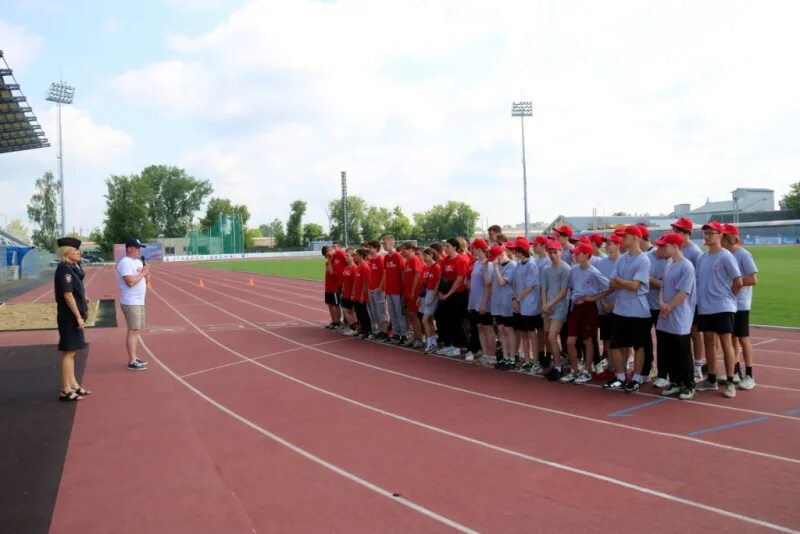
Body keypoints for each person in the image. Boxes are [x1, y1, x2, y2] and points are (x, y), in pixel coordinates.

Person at [694, 221, 743, 398]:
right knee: (708, 341)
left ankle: (730, 381)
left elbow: (738, 282)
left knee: (726, 342)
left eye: (710, 233)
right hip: (705, 307)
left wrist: (728, 297)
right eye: (705, 233)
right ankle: (712, 379)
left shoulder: (726, 256)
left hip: (722, 307)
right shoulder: (702, 258)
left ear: (720, 235)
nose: (707, 237)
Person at [604, 226, 652, 393]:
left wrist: (620, 281)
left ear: (635, 238)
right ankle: (621, 377)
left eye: (625, 236)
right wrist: (624, 282)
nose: (622, 239)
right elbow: (610, 282)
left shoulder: (643, 260)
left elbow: (634, 285)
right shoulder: (622, 259)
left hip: (638, 310)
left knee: (639, 346)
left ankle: (637, 378)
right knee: (616, 344)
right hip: (620, 310)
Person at [656, 232, 698, 400]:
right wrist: (661, 304)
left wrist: (669, 307)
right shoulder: (668, 265)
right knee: (668, 349)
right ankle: (675, 381)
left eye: (665, 245)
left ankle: (688, 384)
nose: (662, 248)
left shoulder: (686, 266)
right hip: (665, 316)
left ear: (674, 246)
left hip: (680, 315)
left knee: (682, 351)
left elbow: (684, 292)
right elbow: (662, 288)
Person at [561, 242, 609, 384]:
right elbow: (570, 287)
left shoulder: (594, 271)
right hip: (576, 309)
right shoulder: (574, 270)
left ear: (587, 255)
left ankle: (587, 371)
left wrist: (593, 298)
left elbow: (610, 287)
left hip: (589, 308)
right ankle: (575, 370)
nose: (575, 255)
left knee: (587, 340)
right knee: (570, 341)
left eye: (578, 253)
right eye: (575, 253)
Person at [722, 224, 758, 390]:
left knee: (743, 338)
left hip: (741, 303)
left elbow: (753, 279)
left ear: (727, 238)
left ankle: (749, 374)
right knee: (733, 338)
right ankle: (736, 371)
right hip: (729, 303)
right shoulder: (726, 255)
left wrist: (735, 283)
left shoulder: (743, 255)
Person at [55, 237, 91, 400]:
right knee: (69, 352)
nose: (79, 253)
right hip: (69, 316)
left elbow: (77, 289)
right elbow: (68, 295)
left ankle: (74, 384)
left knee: (73, 351)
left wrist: (84, 297)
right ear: (67, 252)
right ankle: (65, 389)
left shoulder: (72, 267)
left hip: (74, 313)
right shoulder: (64, 269)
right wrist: (78, 317)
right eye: (76, 251)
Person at [671, 216, 705, 379]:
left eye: (677, 231)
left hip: (692, 300)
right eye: (674, 230)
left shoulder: (695, 252)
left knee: (694, 333)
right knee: (680, 333)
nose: (674, 233)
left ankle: (697, 366)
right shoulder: (676, 249)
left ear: (687, 233)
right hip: (677, 298)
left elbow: (699, 278)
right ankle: (684, 366)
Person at [509, 237, 542, 374]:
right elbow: (516, 283)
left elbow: (530, 286)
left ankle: (536, 361)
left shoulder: (531, 264)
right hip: (520, 303)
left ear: (521, 250)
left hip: (529, 304)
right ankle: (527, 360)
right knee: (523, 332)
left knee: (531, 333)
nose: (513, 251)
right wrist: (515, 299)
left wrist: (518, 299)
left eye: (516, 248)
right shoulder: (518, 264)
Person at [117, 238, 150, 371]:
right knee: (133, 330)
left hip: (139, 301)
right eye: (136, 248)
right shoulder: (125, 263)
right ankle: (132, 361)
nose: (139, 250)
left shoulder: (137, 261)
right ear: (129, 248)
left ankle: (134, 357)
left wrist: (147, 272)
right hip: (131, 301)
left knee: (136, 330)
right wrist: (142, 273)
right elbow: (130, 282)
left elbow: (146, 280)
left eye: (139, 248)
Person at [541, 240, 570, 381]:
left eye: (555, 252)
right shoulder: (546, 269)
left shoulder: (566, 269)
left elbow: (563, 292)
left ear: (560, 252)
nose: (552, 255)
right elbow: (543, 288)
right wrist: (545, 304)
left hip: (559, 307)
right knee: (548, 338)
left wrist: (550, 304)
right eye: (550, 252)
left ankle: (559, 367)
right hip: (548, 308)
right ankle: (555, 363)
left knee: (553, 336)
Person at [436, 238, 470, 357]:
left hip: (457, 294)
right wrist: (441, 292)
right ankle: (448, 344)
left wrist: (448, 293)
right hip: (445, 294)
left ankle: (458, 345)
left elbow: (459, 279)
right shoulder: (445, 260)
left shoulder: (461, 260)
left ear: (455, 247)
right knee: (444, 320)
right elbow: (441, 276)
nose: (445, 249)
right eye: (444, 246)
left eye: (448, 246)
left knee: (455, 320)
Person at [645, 239, 671, 387]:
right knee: (644, 339)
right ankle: (648, 368)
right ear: (661, 248)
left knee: (663, 340)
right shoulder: (647, 258)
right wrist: (664, 284)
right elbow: (646, 279)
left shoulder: (671, 260)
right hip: (646, 305)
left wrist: (658, 282)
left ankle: (663, 373)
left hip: (662, 307)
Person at [490, 245, 517, 369]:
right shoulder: (498, 266)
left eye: (496, 258)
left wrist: (496, 267)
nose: (495, 261)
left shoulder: (511, 266)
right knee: (501, 329)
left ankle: (512, 358)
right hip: (498, 303)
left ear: (501, 255)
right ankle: (505, 357)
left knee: (508, 330)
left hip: (507, 303)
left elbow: (501, 282)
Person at [382, 235, 408, 344]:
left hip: (398, 290)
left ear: (391, 243)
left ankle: (404, 334)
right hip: (389, 290)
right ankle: (396, 333)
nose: (383, 245)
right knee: (392, 313)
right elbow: (386, 273)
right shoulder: (386, 258)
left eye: (385, 243)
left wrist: (403, 289)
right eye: (383, 243)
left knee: (399, 313)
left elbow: (402, 272)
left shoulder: (398, 256)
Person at [400, 241, 423, 348]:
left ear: (410, 249)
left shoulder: (415, 260)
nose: (402, 251)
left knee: (413, 314)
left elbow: (417, 275)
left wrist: (413, 291)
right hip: (407, 292)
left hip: (413, 292)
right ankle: (415, 337)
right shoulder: (407, 261)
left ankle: (419, 338)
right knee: (410, 314)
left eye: (404, 249)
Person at [366, 240, 389, 340]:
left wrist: (380, 286)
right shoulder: (371, 260)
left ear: (376, 248)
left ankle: (385, 332)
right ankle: (380, 330)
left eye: (371, 247)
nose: (369, 249)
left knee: (381, 311)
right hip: (371, 289)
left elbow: (384, 273)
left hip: (378, 289)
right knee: (374, 312)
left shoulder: (380, 259)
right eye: (369, 248)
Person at [420, 248, 442, 353]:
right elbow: (423, 284)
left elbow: (438, 283)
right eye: (423, 256)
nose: (424, 258)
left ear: (432, 255)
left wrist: (432, 297)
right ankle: (433, 343)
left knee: (425, 319)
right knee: (428, 320)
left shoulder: (436, 267)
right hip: (426, 293)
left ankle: (430, 343)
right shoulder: (426, 267)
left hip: (432, 294)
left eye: (426, 256)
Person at [351, 249, 373, 338]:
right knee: (359, 313)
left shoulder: (365, 267)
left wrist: (362, 295)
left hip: (362, 295)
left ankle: (367, 330)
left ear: (360, 255)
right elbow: (356, 281)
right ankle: (363, 329)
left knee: (364, 313)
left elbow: (366, 282)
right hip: (357, 294)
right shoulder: (358, 266)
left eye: (356, 255)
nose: (355, 257)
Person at [339, 249, 359, 336]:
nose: (345, 257)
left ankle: (353, 328)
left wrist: (353, 293)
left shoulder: (354, 268)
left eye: (348, 256)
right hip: (345, 293)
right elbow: (344, 281)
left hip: (351, 294)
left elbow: (355, 282)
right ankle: (354, 328)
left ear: (353, 257)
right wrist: (343, 291)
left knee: (347, 310)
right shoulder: (346, 268)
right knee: (349, 311)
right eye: (345, 256)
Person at [322, 246, 342, 329]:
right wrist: (329, 261)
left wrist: (330, 261)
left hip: (334, 287)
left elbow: (331, 272)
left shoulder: (334, 261)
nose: (327, 257)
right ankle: (333, 321)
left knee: (336, 305)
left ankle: (338, 322)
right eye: (325, 256)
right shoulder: (327, 263)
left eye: (327, 255)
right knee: (330, 305)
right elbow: (328, 271)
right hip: (328, 287)